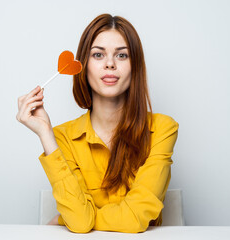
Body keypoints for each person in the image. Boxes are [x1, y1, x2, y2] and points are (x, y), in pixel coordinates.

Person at [16, 14, 179, 233]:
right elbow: (81, 224)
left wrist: (69, 218)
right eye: (98, 54)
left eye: (122, 55)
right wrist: (45, 134)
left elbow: (131, 218)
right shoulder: (62, 138)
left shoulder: (162, 129)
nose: (110, 64)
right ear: (83, 65)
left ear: (135, 66)